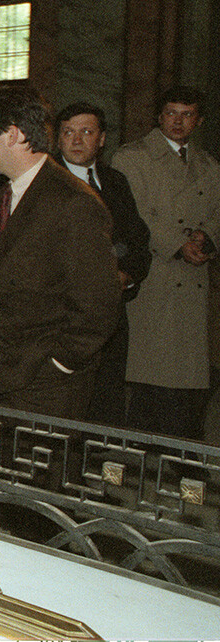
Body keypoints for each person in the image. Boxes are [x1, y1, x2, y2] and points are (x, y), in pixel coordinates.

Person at [0, 86, 119, 420]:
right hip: (6, 371)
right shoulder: (7, 194)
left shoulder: (73, 202)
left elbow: (98, 302)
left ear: (12, 135)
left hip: (47, 383)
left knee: (42, 471)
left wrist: (61, 363)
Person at [112, 86, 220, 439]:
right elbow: (134, 216)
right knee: (150, 379)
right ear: (159, 117)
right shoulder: (132, 158)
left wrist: (207, 238)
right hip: (156, 278)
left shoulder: (208, 165)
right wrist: (178, 244)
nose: (178, 121)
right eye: (171, 113)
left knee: (189, 385)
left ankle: (181, 462)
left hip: (195, 280)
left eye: (187, 114)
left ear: (199, 120)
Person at [54, 101, 151, 426]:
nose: (77, 140)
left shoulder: (115, 182)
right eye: (68, 132)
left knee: (104, 402)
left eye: (86, 132)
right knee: (63, 406)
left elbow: (138, 240)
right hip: (62, 315)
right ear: (58, 138)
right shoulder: (45, 183)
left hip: (110, 312)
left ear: (102, 138)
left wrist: (127, 274)